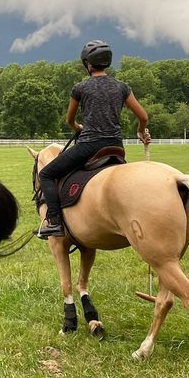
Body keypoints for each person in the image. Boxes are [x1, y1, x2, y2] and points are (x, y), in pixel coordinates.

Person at [37, 39, 150, 238]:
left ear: (87, 64)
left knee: (46, 173)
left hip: (90, 146)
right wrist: (141, 131)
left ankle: (54, 220)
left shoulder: (80, 88)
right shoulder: (122, 87)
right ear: (107, 62)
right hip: (116, 147)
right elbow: (143, 116)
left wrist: (77, 127)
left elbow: (69, 119)